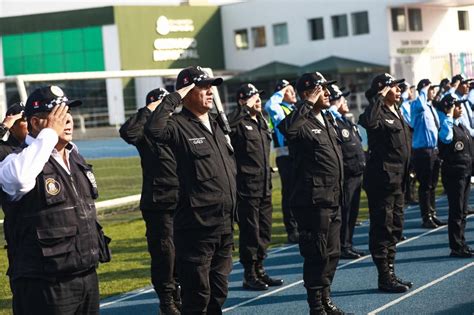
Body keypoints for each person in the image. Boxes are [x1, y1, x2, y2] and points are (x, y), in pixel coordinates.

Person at [0, 85, 110, 314]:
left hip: (86, 277)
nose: (67, 119)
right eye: (57, 115)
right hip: (45, 284)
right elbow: (19, 180)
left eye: (68, 112)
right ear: (35, 123)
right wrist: (49, 135)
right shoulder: (14, 160)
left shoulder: (75, 156)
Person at [145, 66, 236, 314]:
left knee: (219, 291)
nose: (210, 92)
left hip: (224, 225)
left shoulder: (217, 124)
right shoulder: (177, 125)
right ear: (187, 92)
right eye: (203, 87)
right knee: (197, 296)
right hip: (197, 226)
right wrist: (174, 97)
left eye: (211, 87)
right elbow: (153, 130)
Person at [279, 72, 346, 315]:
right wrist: (306, 103)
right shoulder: (300, 120)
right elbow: (288, 129)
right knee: (316, 253)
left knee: (333, 252)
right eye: (322, 89)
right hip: (313, 200)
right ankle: (316, 305)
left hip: (333, 197)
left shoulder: (326, 118)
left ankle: (326, 297)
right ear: (308, 92)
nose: (328, 93)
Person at [119, 87, 181, 314]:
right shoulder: (144, 131)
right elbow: (128, 133)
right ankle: (167, 300)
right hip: (158, 203)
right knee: (165, 254)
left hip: (183, 201)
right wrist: (149, 109)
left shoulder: (175, 128)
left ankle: (180, 293)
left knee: (184, 251)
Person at [359, 73, 413, 293]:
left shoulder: (396, 110)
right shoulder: (376, 112)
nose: (398, 89)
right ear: (382, 90)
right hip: (382, 180)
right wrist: (379, 98)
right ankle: (384, 276)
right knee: (383, 228)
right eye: (393, 86)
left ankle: (390, 271)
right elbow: (368, 122)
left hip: (398, 179)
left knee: (396, 228)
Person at [228, 83, 283, 291]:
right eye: (253, 97)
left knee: (264, 231)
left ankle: (260, 269)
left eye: (259, 96)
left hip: (264, 186)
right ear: (242, 101)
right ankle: (249, 274)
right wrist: (243, 109)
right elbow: (224, 126)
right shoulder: (237, 123)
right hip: (246, 188)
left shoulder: (260, 121)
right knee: (250, 233)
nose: (258, 100)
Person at [327, 84, 367, 260]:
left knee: (353, 212)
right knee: (346, 211)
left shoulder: (345, 120)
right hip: (347, 174)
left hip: (356, 172)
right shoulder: (332, 118)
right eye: (342, 99)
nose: (346, 101)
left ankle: (348, 244)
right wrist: (334, 105)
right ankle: (343, 245)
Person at [437, 94, 473, 258]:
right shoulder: (447, 124)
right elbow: (446, 138)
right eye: (457, 106)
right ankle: (456, 246)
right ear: (449, 107)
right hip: (454, 173)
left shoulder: (461, 125)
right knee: (456, 211)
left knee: (463, 211)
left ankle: (462, 243)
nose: (461, 109)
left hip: (464, 172)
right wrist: (449, 115)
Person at [264, 79, 299, 243]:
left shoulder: (292, 108)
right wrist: (282, 92)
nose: (293, 94)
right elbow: (269, 105)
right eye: (289, 92)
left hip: (297, 156)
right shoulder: (278, 108)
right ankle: (292, 230)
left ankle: (300, 225)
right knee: (290, 194)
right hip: (285, 157)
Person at [411, 79, 445, 228]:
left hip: (434, 150)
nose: (433, 91)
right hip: (422, 151)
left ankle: (433, 213)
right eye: (430, 88)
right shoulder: (418, 105)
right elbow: (420, 104)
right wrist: (423, 90)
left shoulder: (430, 107)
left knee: (432, 184)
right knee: (425, 185)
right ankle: (426, 217)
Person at [398, 82, 418, 206]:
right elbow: (411, 122)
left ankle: (410, 194)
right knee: (409, 169)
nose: (412, 93)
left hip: (411, 137)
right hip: (408, 137)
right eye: (410, 90)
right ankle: (408, 196)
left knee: (412, 171)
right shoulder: (403, 105)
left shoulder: (407, 104)